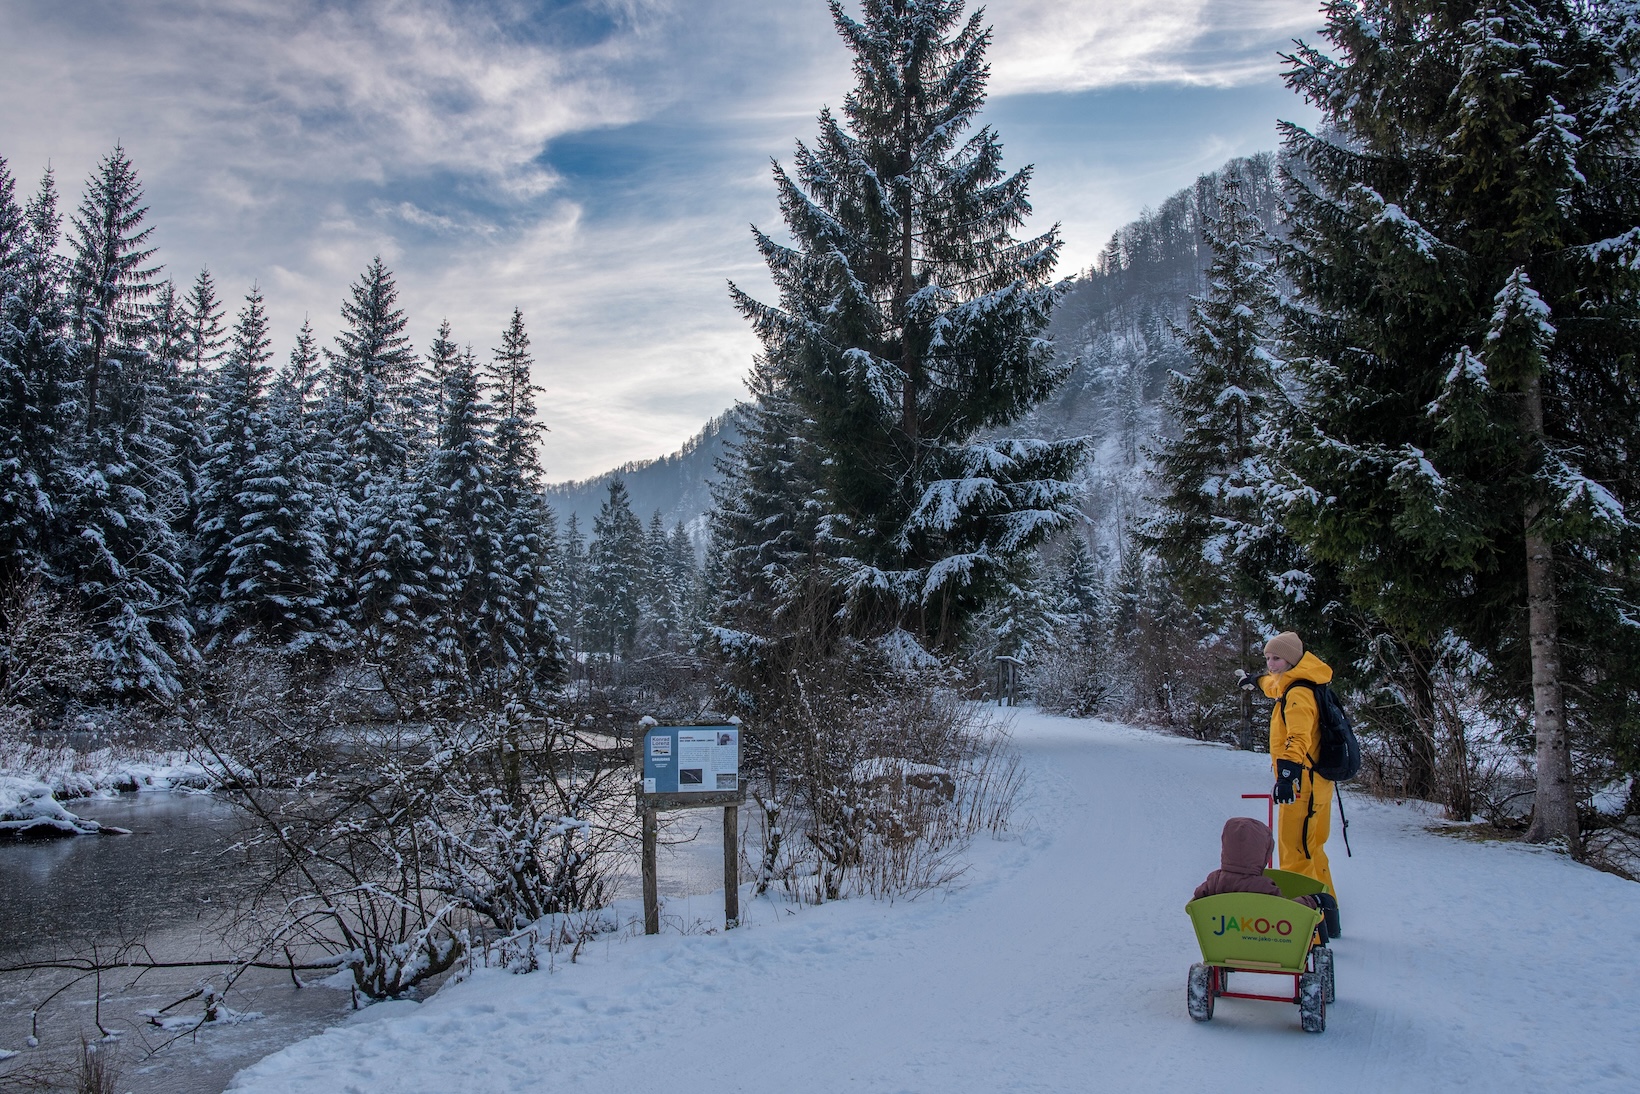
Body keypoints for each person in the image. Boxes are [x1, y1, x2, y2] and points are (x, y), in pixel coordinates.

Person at [1251, 631, 1340, 927]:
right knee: (1313, 849)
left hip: (1303, 785)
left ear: (1291, 659)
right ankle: (1328, 916)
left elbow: (1298, 738)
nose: (1271, 664)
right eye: (1267, 658)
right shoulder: (1301, 681)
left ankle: (1306, 925)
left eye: (1276, 658)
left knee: (1295, 853)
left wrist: (1287, 777)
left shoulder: (1299, 692)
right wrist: (1255, 681)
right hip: (1318, 785)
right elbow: (1275, 686)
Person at [1193, 816, 1318, 909]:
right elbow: (1287, 911)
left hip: (1221, 934)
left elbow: (1196, 903)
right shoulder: (1263, 887)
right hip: (1258, 939)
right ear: (1263, 853)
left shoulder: (1214, 880)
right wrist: (1310, 901)